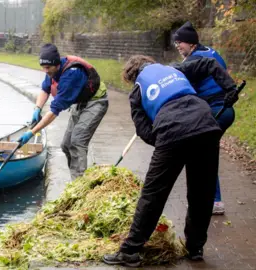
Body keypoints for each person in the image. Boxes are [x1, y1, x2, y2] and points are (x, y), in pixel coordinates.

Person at [102, 55, 239, 267]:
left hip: (171, 132)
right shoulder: (175, 69)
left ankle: (130, 251)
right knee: (202, 192)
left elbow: (143, 130)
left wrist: (165, 141)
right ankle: (195, 248)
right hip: (206, 124)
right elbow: (209, 63)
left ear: (131, 76)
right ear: (150, 62)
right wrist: (229, 89)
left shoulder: (137, 91)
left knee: (153, 194)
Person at [17, 43, 109, 181]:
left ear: (57, 64)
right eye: (43, 67)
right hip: (80, 102)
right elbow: (45, 89)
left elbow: (54, 112)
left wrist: (32, 132)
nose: (45, 71)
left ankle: (79, 184)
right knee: (66, 145)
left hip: (96, 102)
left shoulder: (71, 75)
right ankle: (77, 178)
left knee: (77, 141)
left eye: (48, 67)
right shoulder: (52, 70)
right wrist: (37, 108)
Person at [173, 21, 234, 215]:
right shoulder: (212, 52)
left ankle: (212, 201)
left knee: (201, 155)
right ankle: (212, 200)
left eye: (180, 42)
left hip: (214, 111)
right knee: (206, 153)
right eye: (176, 42)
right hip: (226, 111)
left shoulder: (193, 61)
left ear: (191, 43)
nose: (177, 45)